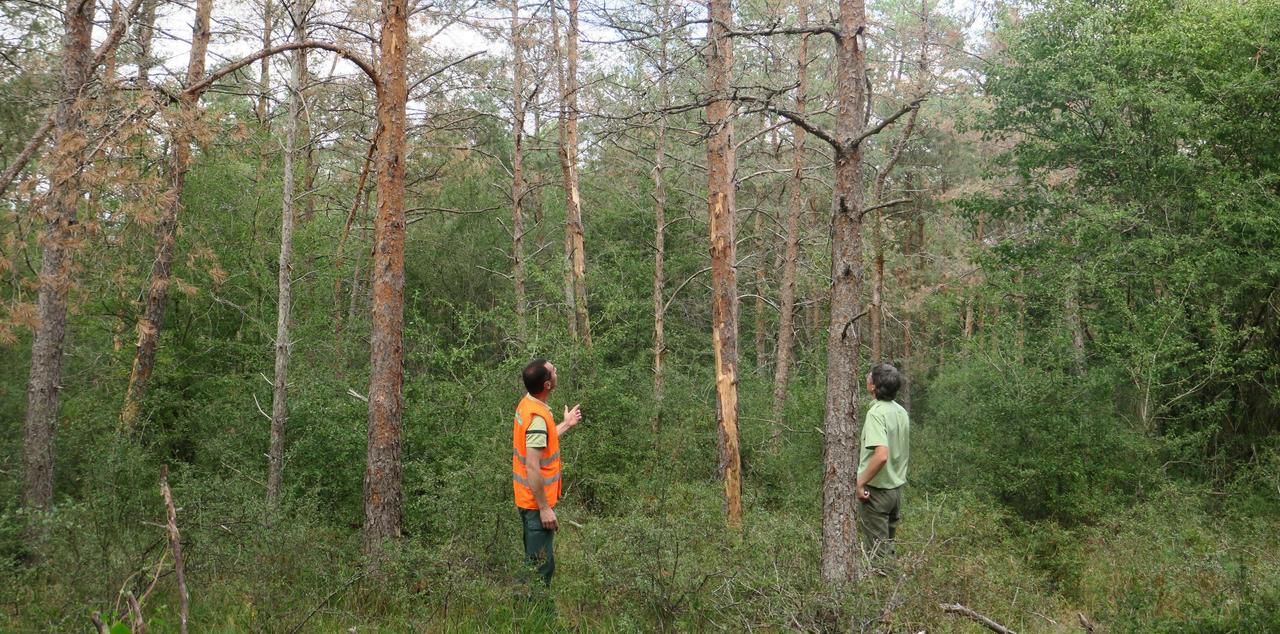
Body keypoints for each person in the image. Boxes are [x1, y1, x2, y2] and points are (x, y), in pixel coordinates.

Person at [512, 358, 582, 587]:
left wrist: (566, 424)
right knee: (541, 568)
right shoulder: (537, 419)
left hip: (527, 500)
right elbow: (532, 465)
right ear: (547, 385)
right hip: (535, 506)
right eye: (553, 370)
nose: (556, 371)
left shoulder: (528, 404)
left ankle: (528, 614)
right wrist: (544, 508)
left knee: (535, 562)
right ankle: (536, 618)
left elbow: (541, 442)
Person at [856, 363, 910, 564]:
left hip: (877, 493)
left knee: (877, 555)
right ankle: (891, 590)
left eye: (870, 377)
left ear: (873, 387)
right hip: (895, 492)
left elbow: (881, 455)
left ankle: (880, 593)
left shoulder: (876, 414)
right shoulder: (900, 412)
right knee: (888, 549)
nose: (867, 378)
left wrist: (860, 483)